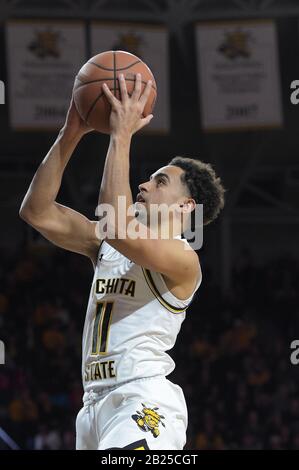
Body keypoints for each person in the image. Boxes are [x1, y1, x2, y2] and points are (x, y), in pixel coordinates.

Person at [19, 73, 225, 450]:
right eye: (146, 179)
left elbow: (118, 226)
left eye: (159, 181)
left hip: (143, 401)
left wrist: (122, 133)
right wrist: (71, 132)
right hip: (92, 409)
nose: (144, 186)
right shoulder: (105, 243)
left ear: (185, 207)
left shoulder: (183, 258)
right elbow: (37, 211)